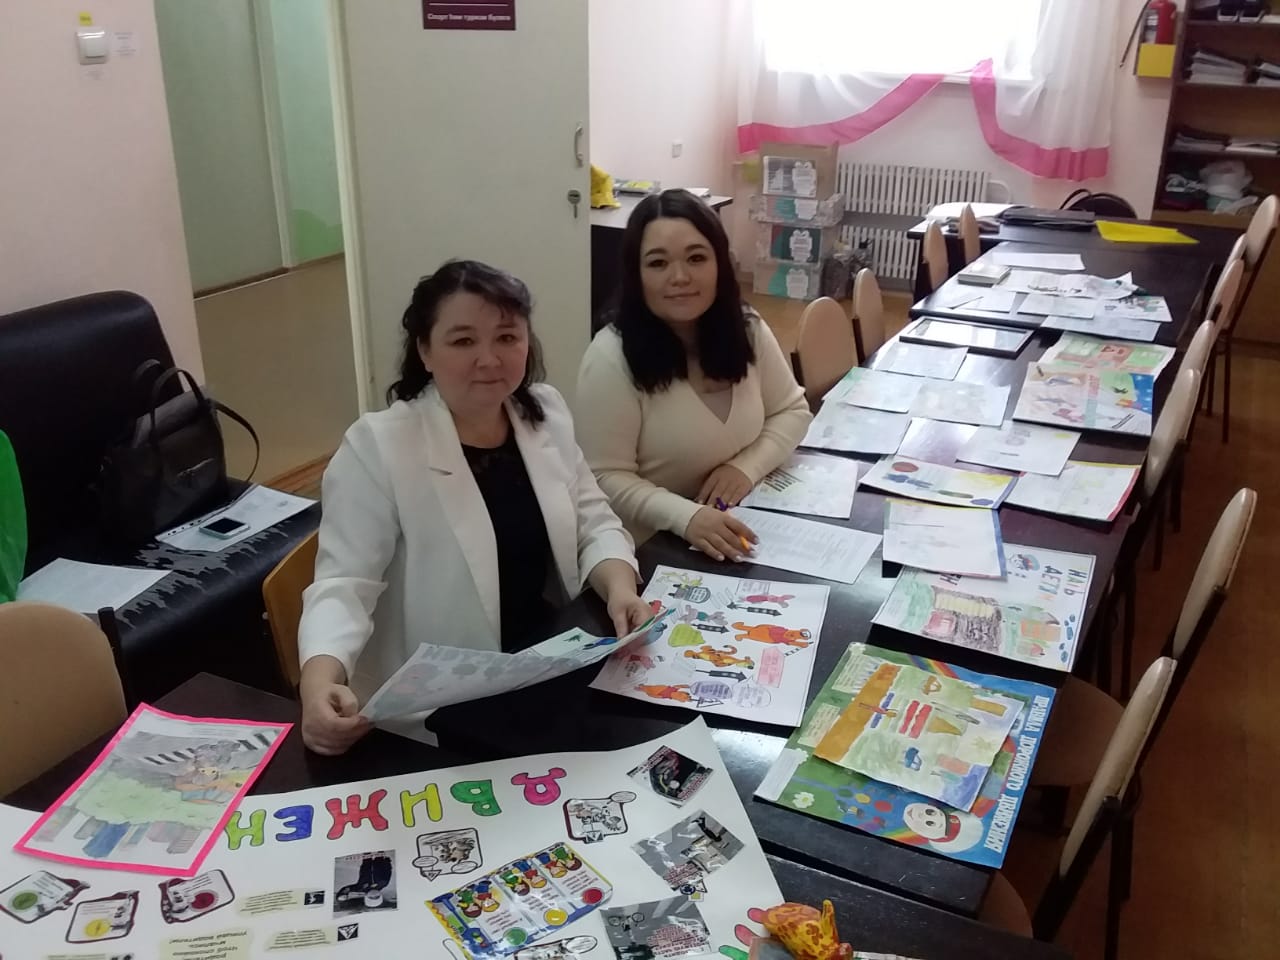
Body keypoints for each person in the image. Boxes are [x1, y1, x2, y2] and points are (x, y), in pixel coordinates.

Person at [298, 260, 650, 755]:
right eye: (463, 341)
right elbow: (344, 585)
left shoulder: (544, 412)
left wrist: (619, 588)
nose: (489, 359)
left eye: (507, 337)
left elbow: (593, 519)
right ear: (425, 350)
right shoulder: (379, 446)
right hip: (441, 709)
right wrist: (318, 682)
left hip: (544, 662)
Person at [576, 189, 811, 561]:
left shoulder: (746, 328)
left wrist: (745, 468)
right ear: (636, 274)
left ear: (720, 263)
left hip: (745, 530)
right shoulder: (610, 357)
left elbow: (792, 411)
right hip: (649, 549)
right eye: (658, 263)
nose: (680, 277)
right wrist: (687, 516)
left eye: (696, 258)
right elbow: (602, 477)